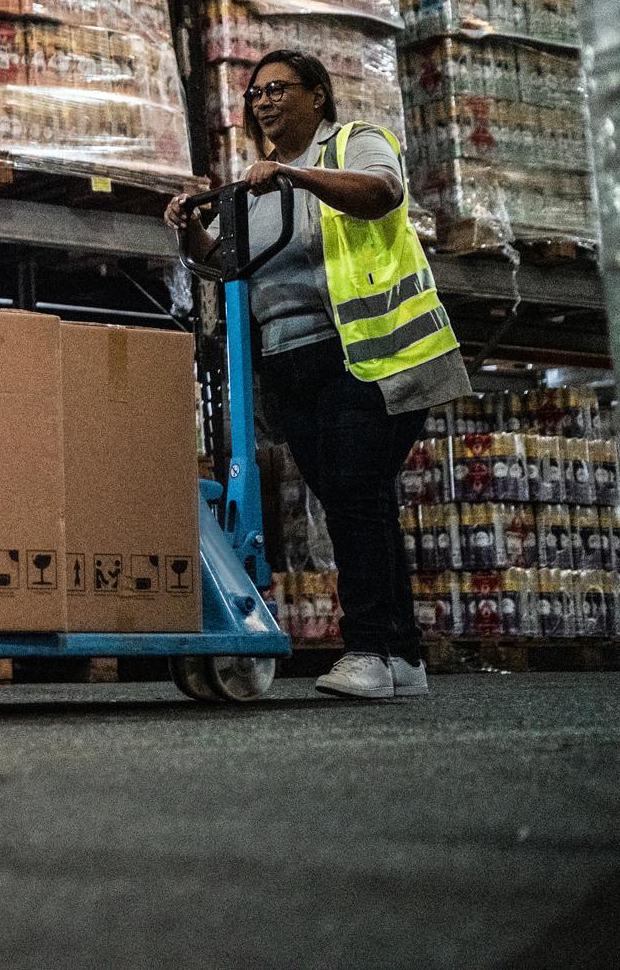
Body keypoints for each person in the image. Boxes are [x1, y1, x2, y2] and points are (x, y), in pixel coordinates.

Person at [166, 49, 470, 701]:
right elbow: (226, 260)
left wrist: (297, 178)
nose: (264, 101)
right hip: (290, 365)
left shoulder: (354, 146)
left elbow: (383, 194)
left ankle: (365, 650)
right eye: (254, 94)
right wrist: (192, 229)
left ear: (318, 96)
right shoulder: (253, 186)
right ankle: (402, 656)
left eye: (278, 88)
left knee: (357, 492)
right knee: (353, 501)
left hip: (369, 353)